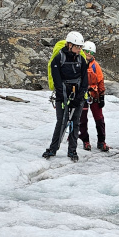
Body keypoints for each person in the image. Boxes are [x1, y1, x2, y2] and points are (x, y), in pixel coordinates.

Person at [43, 31, 89, 161]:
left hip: (77, 95)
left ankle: (72, 150)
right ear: (69, 45)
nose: (79, 49)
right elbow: (58, 83)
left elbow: (85, 82)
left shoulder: (81, 60)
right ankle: (53, 149)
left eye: (80, 47)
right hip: (62, 94)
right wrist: (64, 98)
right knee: (61, 121)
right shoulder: (58, 59)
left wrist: (78, 98)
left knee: (75, 122)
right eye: (77, 47)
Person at [79, 40, 109, 152]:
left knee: (99, 119)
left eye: (90, 52)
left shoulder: (96, 66)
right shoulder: (78, 63)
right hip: (82, 96)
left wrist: (102, 96)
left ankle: (101, 141)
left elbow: (100, 81)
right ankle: (85, 141)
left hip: (94, 95)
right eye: (86, 51)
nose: (88, 53)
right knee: (82, 119)